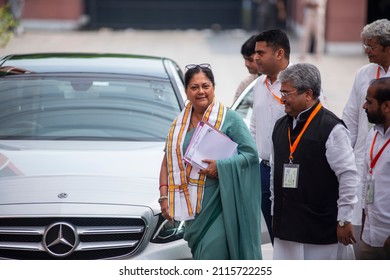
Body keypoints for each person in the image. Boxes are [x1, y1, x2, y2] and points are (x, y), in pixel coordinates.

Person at [158, 63, 262, 260]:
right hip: (193, 212)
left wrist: (221, 167)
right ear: (186, 91)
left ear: (213, 88)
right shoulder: (178, 125)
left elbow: (250, 155)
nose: (201, 92)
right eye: (194, 87)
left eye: (206, 86)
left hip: (222, 206)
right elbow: (167, 162)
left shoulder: (229, 119)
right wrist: (164, 197)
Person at [271, 63, 358, 259]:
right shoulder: (280, 125)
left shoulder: (332, 128)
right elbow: (274, 173)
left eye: (287, 94)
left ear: (308, 94)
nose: (282, 100)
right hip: (286, 225)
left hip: (319, 227)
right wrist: (274, 209)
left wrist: (344, 219)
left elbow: (348, 175)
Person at [342, 18, 390, 258]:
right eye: (364, 46)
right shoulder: (364, 73)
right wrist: (346, 155)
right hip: (363, 158)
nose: (366, 51)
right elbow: (350, 116)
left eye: (371, 47)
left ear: (388, 47)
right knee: (361, 238)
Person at [249, 29, 293, 245]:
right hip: (264, 171)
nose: (255, 57)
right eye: (255, 53)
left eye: (261, 52)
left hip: (292, 171)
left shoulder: (300, 83)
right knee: (276, 234)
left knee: (292, 233)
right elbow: (254, 126)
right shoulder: (259, 85)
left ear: (279, 54)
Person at [360, 77, 390, 260]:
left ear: (386, 106)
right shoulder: (373, 134)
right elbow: (366, 178)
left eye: (369, 102)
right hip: (369, 232)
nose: (364, 106)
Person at [233, 35, 261, 103]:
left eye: (250, 60)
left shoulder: (283, 81)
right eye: (245, 59)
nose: (246, 64)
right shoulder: (246, 84)